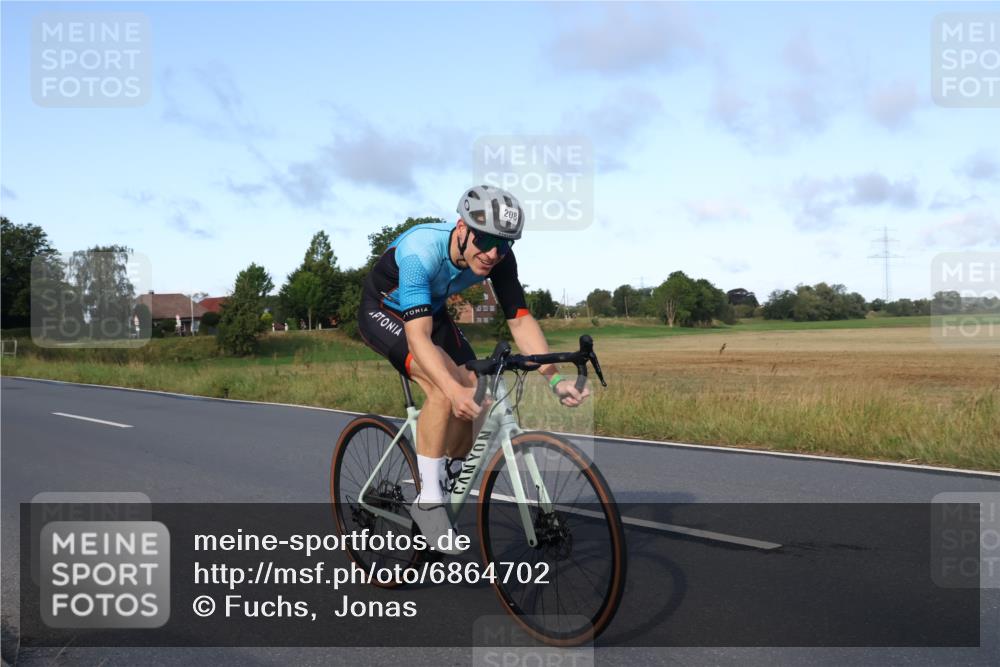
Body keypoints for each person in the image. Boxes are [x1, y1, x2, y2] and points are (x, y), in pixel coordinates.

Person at [358, 185, 589, 553]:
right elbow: (418, 337)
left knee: (476, 389)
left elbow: (520, 321)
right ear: (462, 228)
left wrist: (555, 379)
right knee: (444, 388)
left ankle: (447, 469)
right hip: (385, 312)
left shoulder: (498, 258)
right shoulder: (421, 251)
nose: (493, 253)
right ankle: (429, 502)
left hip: (430, 311)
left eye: (506, 244)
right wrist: (450, 389)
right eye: (484, 240)